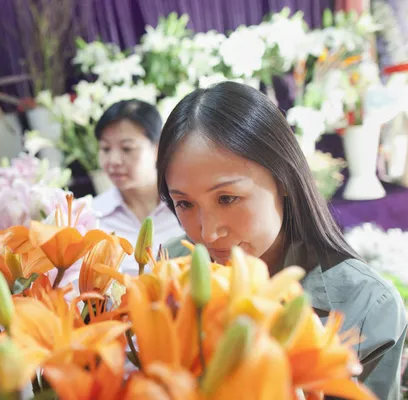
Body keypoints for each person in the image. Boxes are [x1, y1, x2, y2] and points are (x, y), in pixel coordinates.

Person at [159, 82, 407, 399]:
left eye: (227, 198)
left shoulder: (367, 304)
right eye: (184, 204)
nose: (207, 234)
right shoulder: (171, 267)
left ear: (284, 180)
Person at [92, 99, 185, 276]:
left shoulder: (185, 205)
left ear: (157, 150)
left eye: (127, 148)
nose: (113, 161)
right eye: (105, 148)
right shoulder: (93, 216)